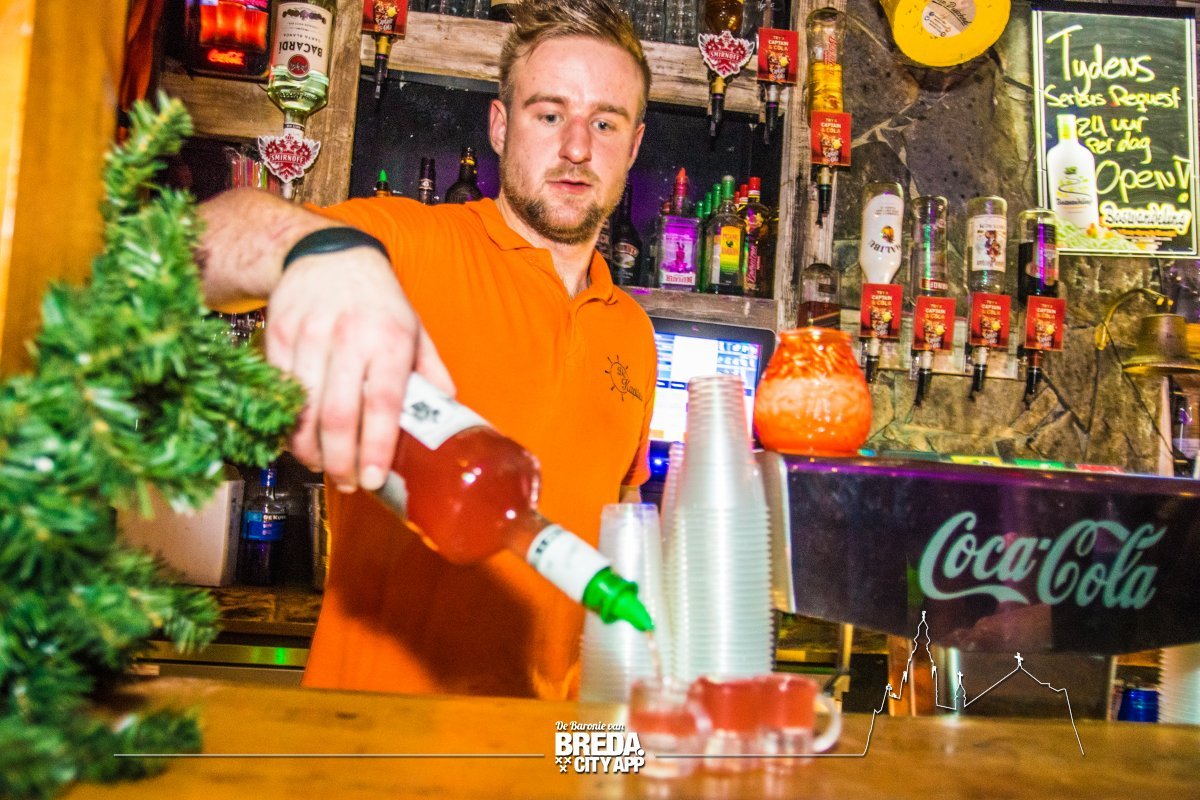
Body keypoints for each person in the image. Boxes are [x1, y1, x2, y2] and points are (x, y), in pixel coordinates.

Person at [198, 0, 656, 699]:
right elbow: (199, 242)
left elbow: (618, 526)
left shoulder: (634, 333)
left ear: (634, 144)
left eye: (604, 122)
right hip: (373, 738)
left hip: (549, 746)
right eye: (548, 114)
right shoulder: (410, 246)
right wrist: (315, 251)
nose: (576, 147)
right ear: (500, 126)